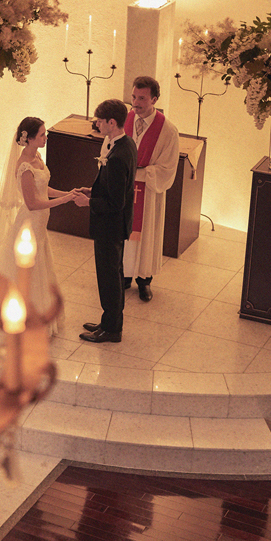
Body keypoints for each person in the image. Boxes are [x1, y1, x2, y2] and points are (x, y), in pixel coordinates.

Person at [0, 117, 80, 335]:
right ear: (28, 139)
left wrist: (68, 193)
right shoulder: (24, 167)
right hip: (30, 224)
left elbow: (44, 189)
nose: (45, 137)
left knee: (41, 267)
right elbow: (32, 203)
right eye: (41, 134)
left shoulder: (38, 157)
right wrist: (64, 200)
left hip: (40, 224)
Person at [76, 99, 137, 343]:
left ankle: (111, 330)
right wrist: (93, 191)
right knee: (114, 274)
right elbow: (113, 187)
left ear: (112, 122)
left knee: (109, 278)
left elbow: (115, 203)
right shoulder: (125, 143)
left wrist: (88, 202)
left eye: (100, 121)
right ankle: (110, 320)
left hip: (110, 226)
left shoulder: (118, 155)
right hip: (116, 224)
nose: (97, 124)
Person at [123, 75, 180, 302]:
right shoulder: (124, 120)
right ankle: (124, 275)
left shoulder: (168, 130)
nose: (135, 103)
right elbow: (109, 146)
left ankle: (144, 280)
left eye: (142, 98)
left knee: (146, 235)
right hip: (124, 188)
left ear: (154, 99)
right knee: (124, 233)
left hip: (148, 191)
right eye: (134, 97)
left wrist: (140, 173)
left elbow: (168, 167)